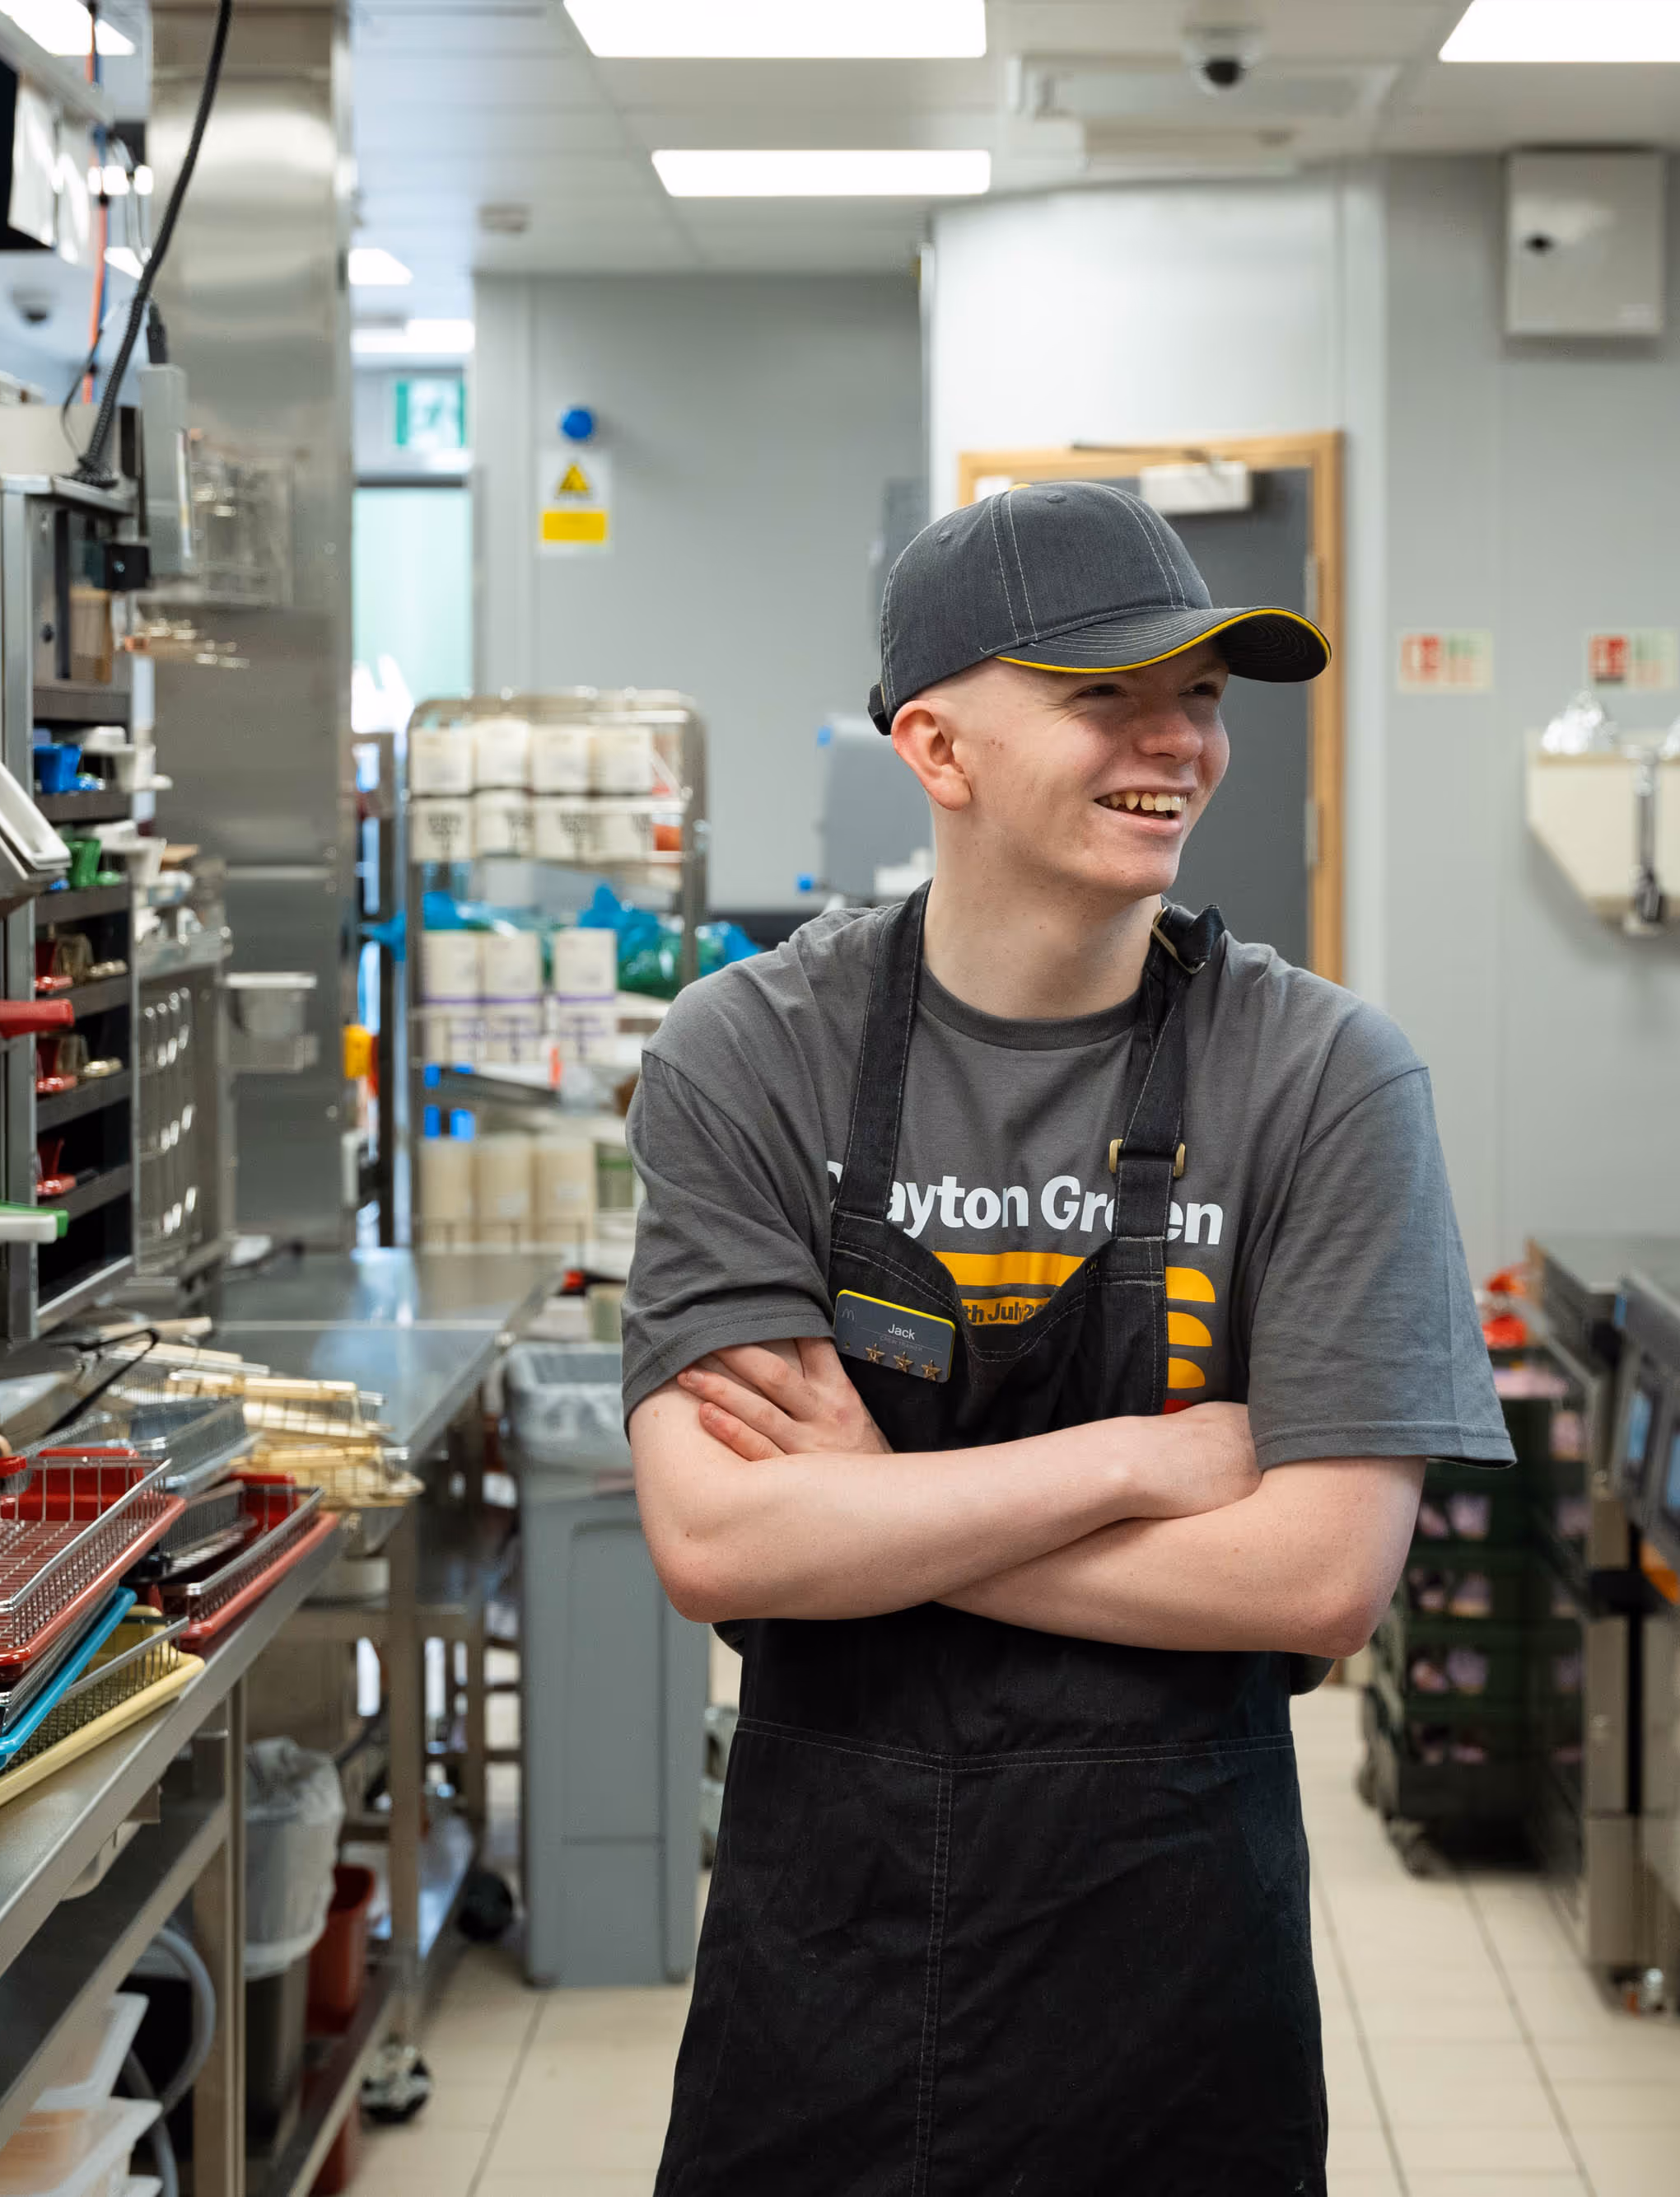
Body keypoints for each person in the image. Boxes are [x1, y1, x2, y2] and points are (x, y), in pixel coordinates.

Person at [619, 478, 1511, 2195]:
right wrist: (1136, 1461)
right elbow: (717, 1536)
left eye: (1199, 694)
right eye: (1104, 694)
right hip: (828, 1965)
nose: (1172, 740)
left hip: (1170, 1977)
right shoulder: (748, 1050)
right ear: (936, 749)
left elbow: (1317, 1579)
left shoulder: (1321, 1075)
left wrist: (874, 1521)